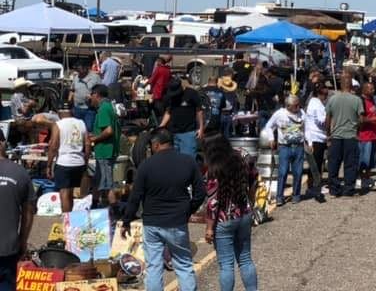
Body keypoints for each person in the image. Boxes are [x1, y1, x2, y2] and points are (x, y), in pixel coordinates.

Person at [121, 129, 205, 291]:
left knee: (153, 267)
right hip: (177, 221)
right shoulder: (188, 162)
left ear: (156, 144)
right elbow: (201, 192)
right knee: (183, 265)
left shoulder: (146, 166)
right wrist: (188, 210)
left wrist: (126, 221)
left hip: (152, 223)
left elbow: (135, 197)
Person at [203, 136, 259, 291]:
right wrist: (251, 202)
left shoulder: (214, 169)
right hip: (244, 213)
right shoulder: (243, 156)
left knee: (226, 265)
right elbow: (254, 180)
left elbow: (213, 203)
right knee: (246, 259)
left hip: (224, 219)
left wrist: (208, 228)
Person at [0, 128, 35, 291]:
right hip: (8, 246)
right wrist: (23, 241)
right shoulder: (20, 173)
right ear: (3, 143)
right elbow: (28, 212)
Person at [325, 73, 365, 197]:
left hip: (336, 136)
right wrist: (358, 131)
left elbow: (327, 119)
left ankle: (334, 189)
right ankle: (348, 189)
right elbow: (361, 119)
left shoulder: (332, 99)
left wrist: (328, 134)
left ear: (340, 84)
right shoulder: (357, 100)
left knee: (333, 164)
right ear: (352, 85)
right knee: (350, 164)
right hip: (351, 136)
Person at [263, 95, 306, 205]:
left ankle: (296, 195)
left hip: (299, 146)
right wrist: (271, 138)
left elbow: (307, 127)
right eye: (295, 105)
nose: (298, 107)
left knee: (298, 172)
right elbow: (268, 126)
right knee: (283, 172)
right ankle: (279, 197)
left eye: (298, 104)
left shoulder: (302, 113)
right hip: (285, 147)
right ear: (288, 106)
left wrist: (309, 142)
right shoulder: (279, 114)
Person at [46, 104, 89, 213]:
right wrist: (86, 161)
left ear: (60, 113)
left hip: (64, 162)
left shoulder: (58, 125)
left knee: (64, 193)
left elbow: (54, 146)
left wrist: (49, 165)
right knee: (72, 192)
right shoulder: (81, 123)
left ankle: (66, 219)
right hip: (79, 162)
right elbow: (87, 144)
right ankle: (71, 216)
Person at [89, 84, 120, 208]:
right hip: (105, 151)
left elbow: (108, 131)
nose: (90, 98)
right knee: (98, 179)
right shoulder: (109, 106)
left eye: (91, 95)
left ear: (96, 95)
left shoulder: (103, 109)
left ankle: (114, 210)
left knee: (106, 183)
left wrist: (94, 139)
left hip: (105, 151)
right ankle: (94, 204)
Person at [159, 77, 204, 158]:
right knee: (175, 160)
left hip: (188, 132)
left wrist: (201, 127)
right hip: (173, 133)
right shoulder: (171, 97)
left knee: (188, 159)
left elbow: (199, 111)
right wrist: (162, 125)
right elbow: (168, 111)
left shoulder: (191, 94)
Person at [304, 83, 328, 202]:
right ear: (318, 93)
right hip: (316, 137)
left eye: (327, 94)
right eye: (324, 94)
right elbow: (321, 121)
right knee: (316, 164)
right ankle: (314, 187)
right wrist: (330, 118)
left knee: (318, 163)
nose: (326, 96)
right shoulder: (316, 104)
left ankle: (315, 185)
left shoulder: (315, 102)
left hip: (318, 136)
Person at [70, 59, 101, 131]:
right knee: (77, 129)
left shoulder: (95, 77)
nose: (78, 72)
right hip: (77, 108)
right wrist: (69, 101)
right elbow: (72, 90)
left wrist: (92, 97)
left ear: (86, 68)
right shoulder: (77, 77)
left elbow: (100, 91)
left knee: (88, 128)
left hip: (89, 109)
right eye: (77, 70)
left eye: (80, 70)